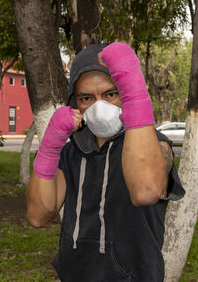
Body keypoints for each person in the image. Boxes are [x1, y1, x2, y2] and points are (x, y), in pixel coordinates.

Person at [27, 42, 185, 282]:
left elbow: (145, 191)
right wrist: (50, 147)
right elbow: (38, 216)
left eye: (110, 94)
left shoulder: (157, 144)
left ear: (124, 93)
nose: (99, 107)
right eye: (87, 98)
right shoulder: (72, 153)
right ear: (75, 102)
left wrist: (135, 92)